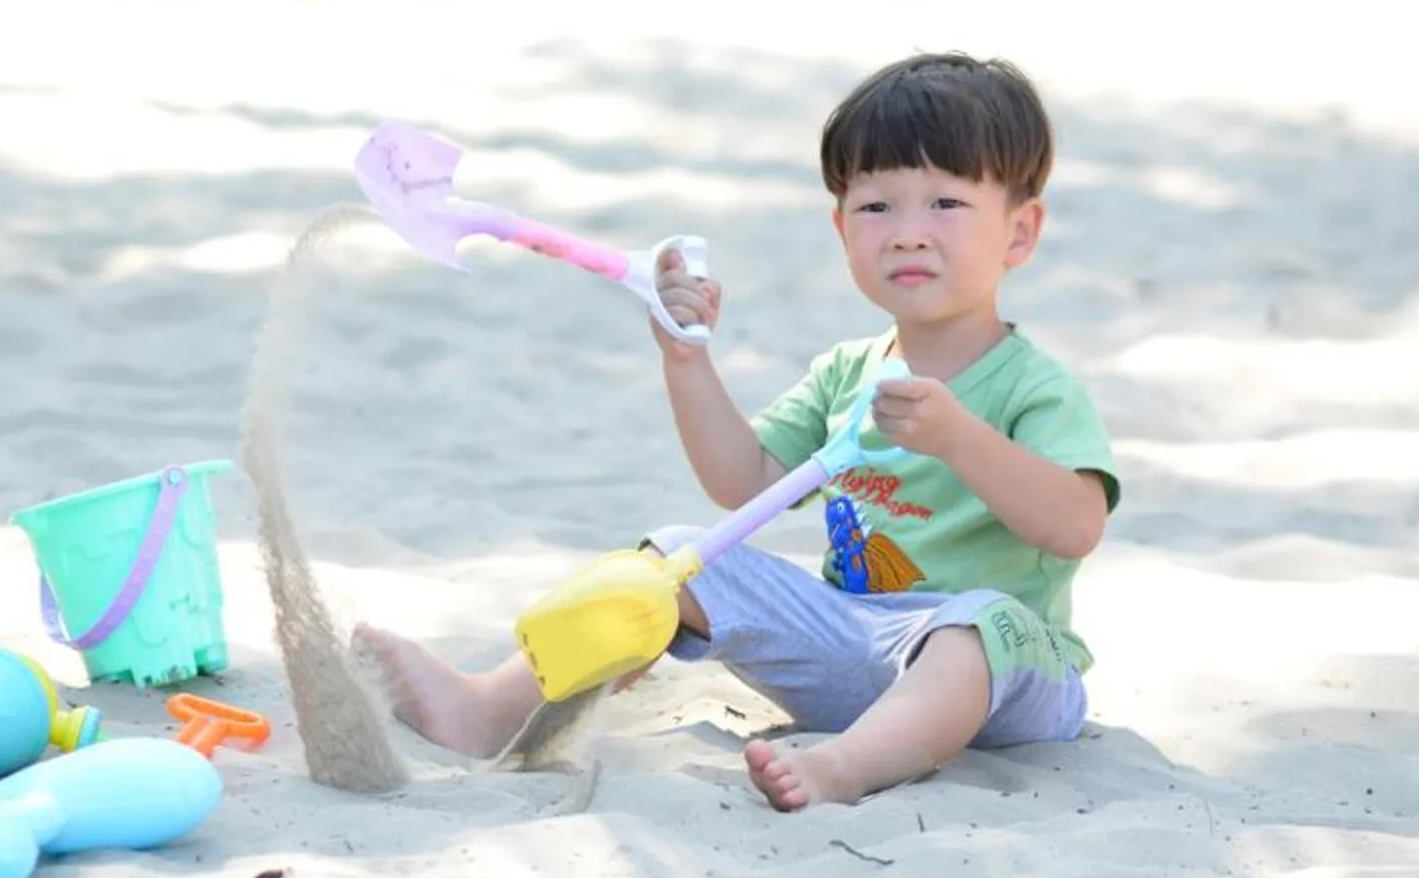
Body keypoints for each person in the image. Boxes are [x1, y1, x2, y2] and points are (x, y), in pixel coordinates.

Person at [355, 53, 1119, 811]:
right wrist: (686, 360)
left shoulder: (1035, 387)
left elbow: (1076, 525)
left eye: (946, 205)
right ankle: (494, 707)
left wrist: (960, 438)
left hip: (1006, 678)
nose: (908, 234)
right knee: (674, 558)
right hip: (855, 647)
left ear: (1020, 233)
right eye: (877, 207)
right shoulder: (846, 371)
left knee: (973, 624)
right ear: (841, 227)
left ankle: (846, 769)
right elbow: (743, 482)